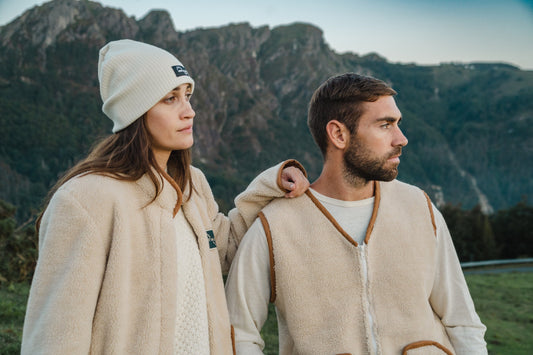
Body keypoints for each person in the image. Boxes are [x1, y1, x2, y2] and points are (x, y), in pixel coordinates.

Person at [21, 39, 308, 354]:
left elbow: (224, 250)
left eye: (187, 95)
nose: (189, 111)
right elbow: (57, 334)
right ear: (136, 109)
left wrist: (271, 185)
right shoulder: (85, 198)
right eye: (170, 98)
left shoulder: (191, 184)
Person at [225, 73, 488, 355]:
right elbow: (240, 335)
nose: (401, 139)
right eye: (385, 125)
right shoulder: (276, 226)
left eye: (397, 124)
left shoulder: (418, 207)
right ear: (339, 134)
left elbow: (462, 322)